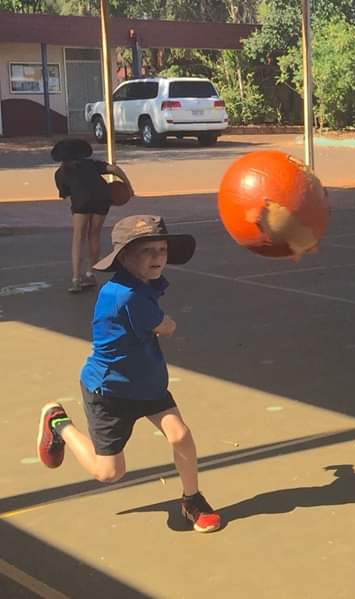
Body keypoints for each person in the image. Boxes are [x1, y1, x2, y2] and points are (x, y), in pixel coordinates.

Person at [36, 215, 222, 533]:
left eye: (161, 249)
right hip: (110, 392)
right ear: (124, 258)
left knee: (181, 436)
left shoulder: (141, 285)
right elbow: (167, 327)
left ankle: (192, 499)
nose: (158, 257)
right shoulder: (126, 296)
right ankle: (58, 423)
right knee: (109, 473)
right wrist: (167, 323)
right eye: (147, 251)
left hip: (148, 384)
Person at [51, 138, 134, 293]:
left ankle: (76, 278)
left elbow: (67, 197)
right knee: (94, 234)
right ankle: (91, 274)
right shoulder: (92, 164)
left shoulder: (60, 174)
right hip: (101, 198)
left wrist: (75, 206)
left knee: (78, 238)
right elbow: (114, 169)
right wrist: (128, 185)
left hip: (81, 202)